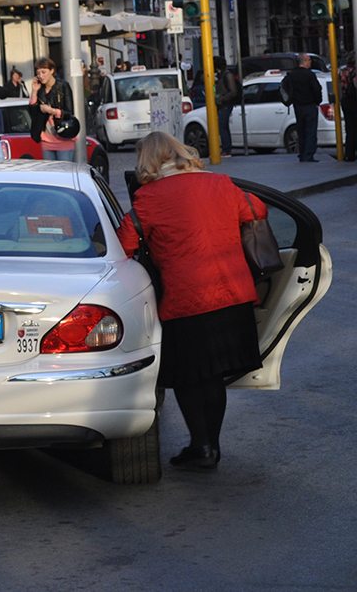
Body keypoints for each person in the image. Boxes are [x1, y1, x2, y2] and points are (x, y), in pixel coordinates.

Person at [117, 131, 267, 470]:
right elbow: (256, 209)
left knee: (187, 376)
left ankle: (199, 444)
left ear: (147, 161)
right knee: (213, 377)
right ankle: (212, 445)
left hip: (185, 301)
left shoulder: (149, 198)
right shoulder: (220, 183)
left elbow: (124, 243)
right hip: (232, 296)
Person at [29, 57, 75, 161]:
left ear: (52, 71)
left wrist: (51, 111)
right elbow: (33, 112)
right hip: (46, 139)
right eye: (38, 73)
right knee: (50, 174)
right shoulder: (39, 88)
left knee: (64, 173)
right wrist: (34, 91)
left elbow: (69, 112)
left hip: (63, 137)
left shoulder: (63, 86)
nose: (41, 76)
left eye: (43, 72)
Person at [282, 53, 323, 163]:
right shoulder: (309, 75)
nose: (310, 62)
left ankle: (302, 153)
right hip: (310, 105)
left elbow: (285, 88)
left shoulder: (291, 75)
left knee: (301, 130)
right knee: (310, 131)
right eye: (309, 60)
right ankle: (308, 155)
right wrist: (318, 101)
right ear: (304, 61)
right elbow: (317, 89)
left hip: (297, 106)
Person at [214, 56, 239, 158]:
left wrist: (221, 99)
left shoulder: (227, 75)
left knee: (222, 126)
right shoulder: (221, 75)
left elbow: (233, 92)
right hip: (222, 104)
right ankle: (226, 148)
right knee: (223, 127)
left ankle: (226, 149)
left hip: (225, 104)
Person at [339, 52, 357, 162]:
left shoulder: (342, 71)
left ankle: (349, 153)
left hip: (345, 101)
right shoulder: (354, 72)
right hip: (354, 101)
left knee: (349, 128)